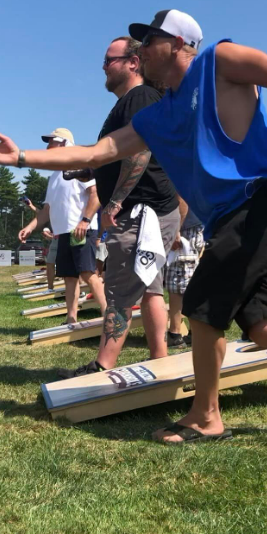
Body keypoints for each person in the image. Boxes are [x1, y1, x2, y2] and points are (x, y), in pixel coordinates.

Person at [0, 8, 267, 445]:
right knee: (264, 326)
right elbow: (95, 154)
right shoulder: (157, 115)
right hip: (234, 216)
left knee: (202, 305)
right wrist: (19, 157)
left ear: (181, 44)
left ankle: (207, 417)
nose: (141, 49)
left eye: (151, 39)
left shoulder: (217, 61)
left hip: (262, 199)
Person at [61, 36, 180, 378]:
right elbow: (121, 154)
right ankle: (161, 360)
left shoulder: (139, 97)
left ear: (133, 62)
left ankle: (102, 365)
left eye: (108, 60)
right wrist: (92, 169)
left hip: (142, 211)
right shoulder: (133, 101)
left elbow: (141, 152)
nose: (103, 66)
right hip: (154, 209)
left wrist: (114, 200)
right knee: (150, 286)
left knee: (120, 289)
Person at [18, 128, 106, 323]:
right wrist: (30, 227)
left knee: (88, 272)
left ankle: (108, 315)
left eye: (52, 142)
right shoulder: (54, 176)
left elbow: (96, 194)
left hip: (81, 230)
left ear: (65, 143)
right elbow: (47, 210)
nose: (48, 146)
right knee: (69, 276)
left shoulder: (79, 164)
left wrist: (85, 220)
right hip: (64, 233)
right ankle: (71, 317)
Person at [167, 208, 204, 348]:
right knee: (189, 280)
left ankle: (175, 334)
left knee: (178, 282)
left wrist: (176, 229)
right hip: (192, 226)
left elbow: (182, 199)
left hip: (185, 228)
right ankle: (195, 332)